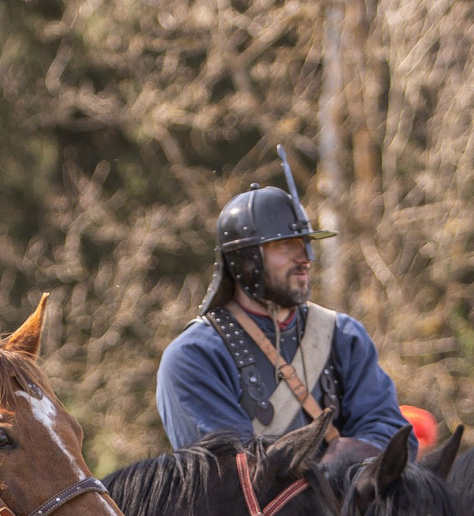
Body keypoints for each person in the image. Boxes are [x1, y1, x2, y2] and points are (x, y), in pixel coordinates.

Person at [154, 158, 407, 456]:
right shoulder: (195, 356)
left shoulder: (344, 336)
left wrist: (351, 461)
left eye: (305, 242)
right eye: (284, 245)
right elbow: (229, 470)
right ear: (245, 259)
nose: (305, 258)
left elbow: (391, 436)